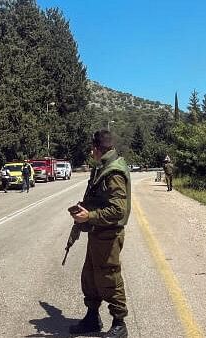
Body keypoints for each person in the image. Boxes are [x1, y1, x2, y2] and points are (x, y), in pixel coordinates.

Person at [68, 130, 131, 338]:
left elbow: (118, 210)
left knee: (109, 277)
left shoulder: (113, 171)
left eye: (92, 147)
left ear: (97, 147)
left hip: (109, 235)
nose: (90, 151)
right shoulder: (102, 167)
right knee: (90, 277)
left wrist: (90, 216)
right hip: (98, 232)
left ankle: (119, 323)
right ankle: (92, 317)